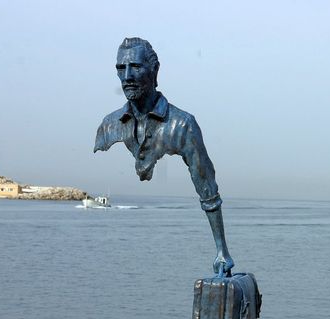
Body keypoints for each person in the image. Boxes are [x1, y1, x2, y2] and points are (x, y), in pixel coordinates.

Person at [94, 37, 234, 275]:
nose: (127, 76)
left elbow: (207, 189)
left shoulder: (182, 125)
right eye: (121, 68)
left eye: (136, 67)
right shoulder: (109, 126)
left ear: (154, 70)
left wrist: (221, 251)